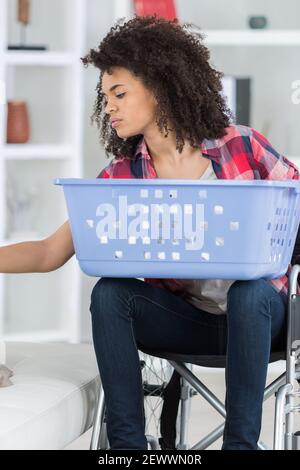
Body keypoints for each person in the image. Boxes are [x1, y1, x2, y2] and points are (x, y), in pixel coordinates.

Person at [0, 14, 299, 450]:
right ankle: (128, 449)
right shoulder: (123, 177)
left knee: (248, 292)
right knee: (110, 292)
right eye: (105, 97)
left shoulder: (243, 146)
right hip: (188, 322)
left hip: (263, 320)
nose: (110, 107)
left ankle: (241, 446)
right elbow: (49, 253)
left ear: (161, 88)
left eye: (119, 93)